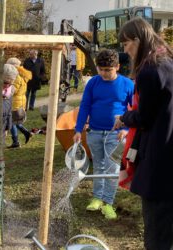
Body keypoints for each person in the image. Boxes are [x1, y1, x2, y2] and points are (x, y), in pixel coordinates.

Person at [114, 17, 173, 249]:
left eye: (126, 44)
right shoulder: (168, 61)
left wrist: (124, 118)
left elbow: (144, 117)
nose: (125, 50)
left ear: (137, 40)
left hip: (159, 161)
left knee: (157, 234)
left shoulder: (149, 71)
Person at [73, 49, 134, 220]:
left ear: (118, 67)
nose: (104, 74)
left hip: (116, 134)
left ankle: (108, 202)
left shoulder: (128, 84)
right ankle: (97, 198)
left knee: (112, 167)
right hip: (94, 132)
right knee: (98, 165)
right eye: (101, 69)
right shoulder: (93, 83)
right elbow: (85, 105)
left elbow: (135, 109)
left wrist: (127, 128)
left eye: (108, 70)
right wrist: (78, 129)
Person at [5, 57, 33, 148]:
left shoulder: (16, 76)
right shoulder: (22, 74)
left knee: (12, 122)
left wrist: (6, 90)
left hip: (15, 101)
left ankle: (16, 142)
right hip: (20, 100)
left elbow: (14, 90)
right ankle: (27, 133)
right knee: (16, 121)